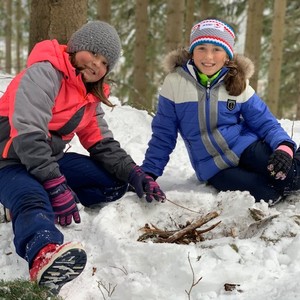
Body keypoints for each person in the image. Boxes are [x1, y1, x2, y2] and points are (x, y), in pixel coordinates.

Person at [0, 20, 165, 294]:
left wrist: (135, 173)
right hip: (9, 159)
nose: (97, 65)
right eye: (93, 54)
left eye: (104, 63)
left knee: (110, 183)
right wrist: (54, 183)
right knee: (33, 200)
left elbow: (102, 143)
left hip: (45, 162)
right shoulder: (44, 73)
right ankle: (43, 252)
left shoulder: (88, 96)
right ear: (77, 48)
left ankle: (39, 190)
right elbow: (28, 135)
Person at [141, 18, 300, 204]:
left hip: (247, 148)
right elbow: (163, 134)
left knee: (290, 177)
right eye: (202, 48)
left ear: (227, 55)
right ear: (192, 52)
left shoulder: (237, 81)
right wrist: (149, 173)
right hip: (214, 167)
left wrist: (284, 147)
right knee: (266, 194)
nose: (208, 57)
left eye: (216, 49)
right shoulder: (175, 83)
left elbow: (264, 121)